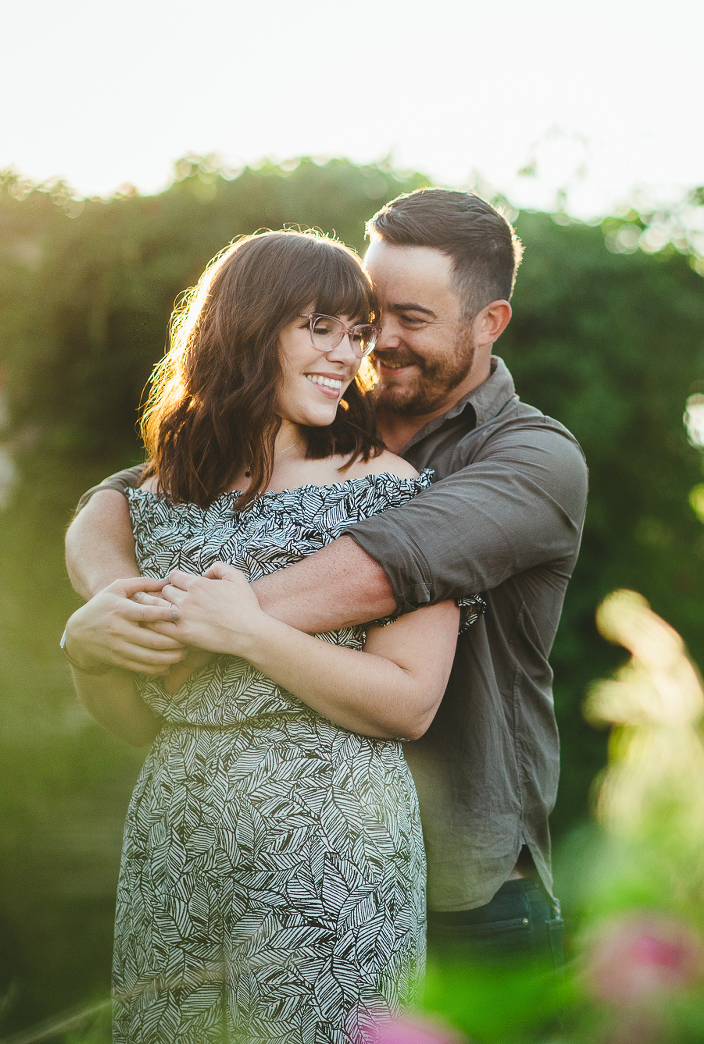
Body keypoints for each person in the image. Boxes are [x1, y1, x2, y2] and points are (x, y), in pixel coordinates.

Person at [63, 188, 588, 969]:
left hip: (467, 893)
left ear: (489, 324)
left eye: (410, 320)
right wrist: (109, 607)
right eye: (363, 319)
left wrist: (192, 633)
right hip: (245, 858)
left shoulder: (534, 460)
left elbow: (386, 567)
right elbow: (123, 493)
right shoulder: (326, 412)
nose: (373, 346)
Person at [63, 228, 475, 1040]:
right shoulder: (150, 501)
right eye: (319, 326)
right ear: (249, 327)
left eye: (356, 333)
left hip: (334, 849)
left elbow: (410, 702)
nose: (345, 354)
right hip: (176, 841)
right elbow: (143, 721)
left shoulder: (392, 494)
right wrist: (85, 652)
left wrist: (250, 632)